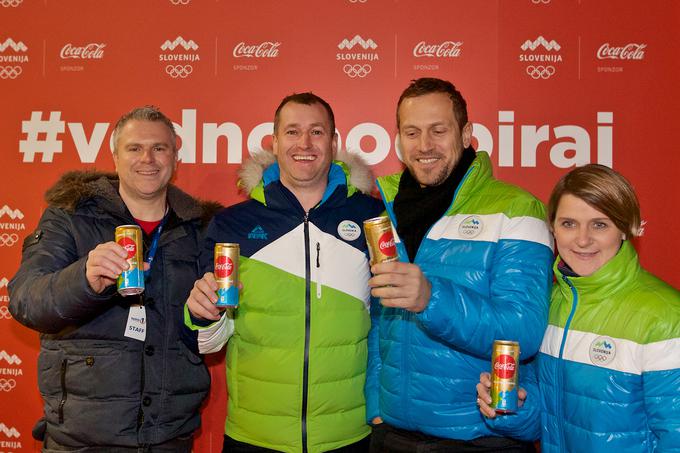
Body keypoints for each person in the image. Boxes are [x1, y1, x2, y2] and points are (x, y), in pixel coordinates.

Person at [9, 106, 218, 451]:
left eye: (159, 148)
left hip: (169, 436)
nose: (147, 159)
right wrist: (84, 280)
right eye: (134, 148)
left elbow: (207, 337)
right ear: (115, 156)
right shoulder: (70, 216)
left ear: (175, 157)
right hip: (83, 438)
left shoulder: (200, 228)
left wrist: (208, 316)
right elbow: (26, 301)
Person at [184, 92, 384, 453]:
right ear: (274, 142)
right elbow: (208, 342)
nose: (304, 143)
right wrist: (202, 314)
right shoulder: (231, 225)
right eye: (292, 132)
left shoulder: (372, 217)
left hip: (348, 436)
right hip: (254, 437)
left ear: (334, 142)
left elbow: (390, 322)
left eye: (317, 132)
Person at [365, 77, 554, 452]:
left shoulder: (517, 209)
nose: (424, 146)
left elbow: (523, 330)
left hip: (479, 437)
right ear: (399, 139)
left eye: (439, 130)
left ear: (466, 134)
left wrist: (431, 299)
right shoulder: (380, 206)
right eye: (412, 132)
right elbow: (375, 317)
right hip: (392, 436)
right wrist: (376, 404)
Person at [477, 164, 680, 452]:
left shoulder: (666, 317)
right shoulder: (550, 304)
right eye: (568, 224)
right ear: (553, 229)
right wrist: (514, 408)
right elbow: (546, 421)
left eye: (600, 224)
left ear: (624, 228)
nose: (582, 239)